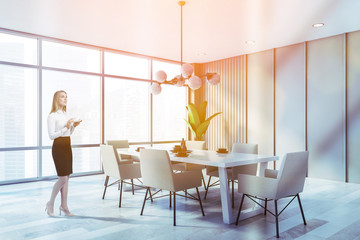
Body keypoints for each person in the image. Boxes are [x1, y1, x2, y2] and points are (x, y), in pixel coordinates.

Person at [45, 90, 81, 217]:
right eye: (62, 96)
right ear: (56, 99)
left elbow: (68, 133)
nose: (65, 99)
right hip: (59, 147)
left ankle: (64, 206)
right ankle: (50, 203)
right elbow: (51, 136)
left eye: (66, 97)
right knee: (62, 179)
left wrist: (73, 126)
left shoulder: (65, 114)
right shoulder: (52, 116)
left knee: (67, 179)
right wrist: (66, 126)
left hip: (67, 146)